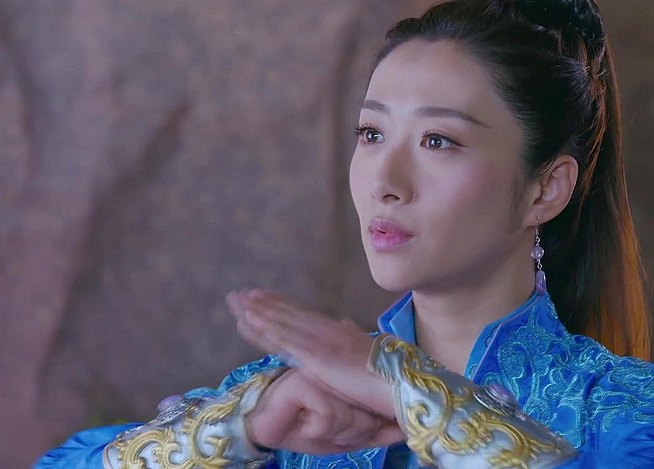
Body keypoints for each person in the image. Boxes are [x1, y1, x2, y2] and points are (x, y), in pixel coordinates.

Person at [34, 0, 654, 467]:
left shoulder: (620, 410)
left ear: (545, 189)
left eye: (438, 140)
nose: (385, 180)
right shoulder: (295, 398)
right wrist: (239, 427)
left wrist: (404, 387)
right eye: (372, 134)